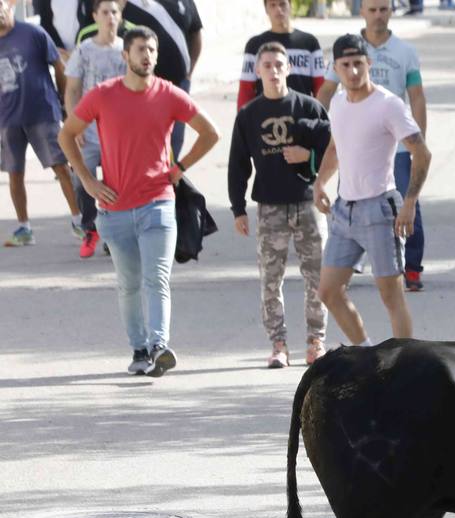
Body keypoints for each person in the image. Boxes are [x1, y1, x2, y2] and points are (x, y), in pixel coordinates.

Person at [58, 24, 219, 376]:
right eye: (141, 50)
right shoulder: (102, 95)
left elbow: (211, 133)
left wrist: (179, 168)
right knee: (129, 284)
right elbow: (66, 135)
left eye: (152, 50)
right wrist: (87, 181)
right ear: (125, 55)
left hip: (158, 204)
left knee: (156, 278)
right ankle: (140, 348)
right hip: (114, 210)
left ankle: (160, 344)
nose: (147, 56)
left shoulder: (169, 94)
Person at [313, 33, 429, 346]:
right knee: (328, 291)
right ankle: (366, 355)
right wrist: (320, 182)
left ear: (369, 63)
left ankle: (405, 365)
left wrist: (410, 202)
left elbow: (422, 153)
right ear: (335, 68)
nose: (352, 71)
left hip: (380, 208)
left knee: (390, 294)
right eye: (345, 65)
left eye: (358, 63)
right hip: (344, 209)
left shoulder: (387, 105)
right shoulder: (337, 103)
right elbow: (336, 148)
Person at [229, 41, 329, 369]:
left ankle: (316, 341)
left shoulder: (309, 107)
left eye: (279, 64)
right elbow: (238, 163)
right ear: (257, 71)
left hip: (307, 204)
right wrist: (238, 208)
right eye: (267, 65)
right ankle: (278, 344)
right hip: (269, 206)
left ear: (288, 69)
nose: (273, 71)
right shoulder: (249, 115)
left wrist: (310, 158)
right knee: (271, 278)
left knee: (317, 276)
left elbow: (334, 148)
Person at [0, 0, 83, 247]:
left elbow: (59, 66)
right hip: (7, 119)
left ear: (10, 7)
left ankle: (79, 221)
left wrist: (63, 102)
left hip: (42, 113)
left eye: (1, 7)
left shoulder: (33, 33)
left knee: (61, 166)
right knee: (15, 174)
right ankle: (24, 228)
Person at [63, 0, 124, 259]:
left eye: (114, 12)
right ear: (95, 17)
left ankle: (113, 235)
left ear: (120, 17)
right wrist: (74, 125)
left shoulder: (126, 49)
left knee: (115, 185)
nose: (110, 17)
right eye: (105, 12)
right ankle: (91, 229)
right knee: (81, 181)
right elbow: (72, 89)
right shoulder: (85, 50)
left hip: (119, 132)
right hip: (87, 132)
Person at [110, 0, 202, 163]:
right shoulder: (124, 3)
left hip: (179, 84)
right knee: (145, 147)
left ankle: (169, 182)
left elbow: (195, 32)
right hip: (142, 89)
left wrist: (189, 73)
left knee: (174, 142)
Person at [238, 0, 325, 109]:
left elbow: (321, 86)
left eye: (282, 4)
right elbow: (246, 89)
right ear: (266, 9)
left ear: (290, 6)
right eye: (272, 5)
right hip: (264, 116)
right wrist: (242, 121)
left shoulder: (309, 43)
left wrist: (320, 117)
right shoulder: (254, 45)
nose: (278, 9)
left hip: (302, 116)